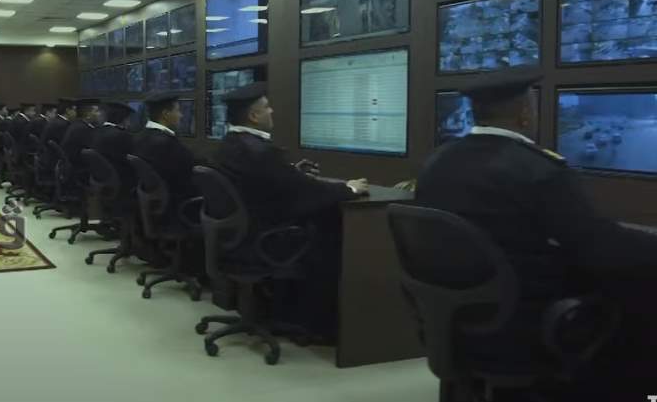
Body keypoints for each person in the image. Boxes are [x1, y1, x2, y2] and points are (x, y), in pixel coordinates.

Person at [415, 67, 657, 398]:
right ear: (526, 114)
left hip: (458, 319)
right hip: (524, 322)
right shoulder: (538, 170)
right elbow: (602, 248)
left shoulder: (436, 164)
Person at [213, 82, 368, 340]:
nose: (272, 111)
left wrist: (291, 172)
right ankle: (316, 327)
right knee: (328, 230)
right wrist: (349, 188)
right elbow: (307, 192)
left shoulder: (229, 145)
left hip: (237, 239)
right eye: (266, 107)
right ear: (253, 116)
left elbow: (265, 182)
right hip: (264, 241)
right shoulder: (262, 152)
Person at [132, 91, 200, 222]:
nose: (181, 115)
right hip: (177, 207)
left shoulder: (140, 137)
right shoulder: (167, 143)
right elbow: (188, 173)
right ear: (165, 114)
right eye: (178, 111)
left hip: (154, 204)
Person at [88, 101, 136, 200]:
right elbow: (133, 161)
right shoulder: (123, 135)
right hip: (121, 182)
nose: (130, 122)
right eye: (129, 119)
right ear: (124, 119)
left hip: (99, 180)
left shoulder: (95, 131)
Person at [60, 98, 102, 181]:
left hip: (71, 169)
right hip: (79, 173)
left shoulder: (76, 125)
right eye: (96, 111)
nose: (99, 114)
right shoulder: (84, 129)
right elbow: (96, 152)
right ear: (88, 114)